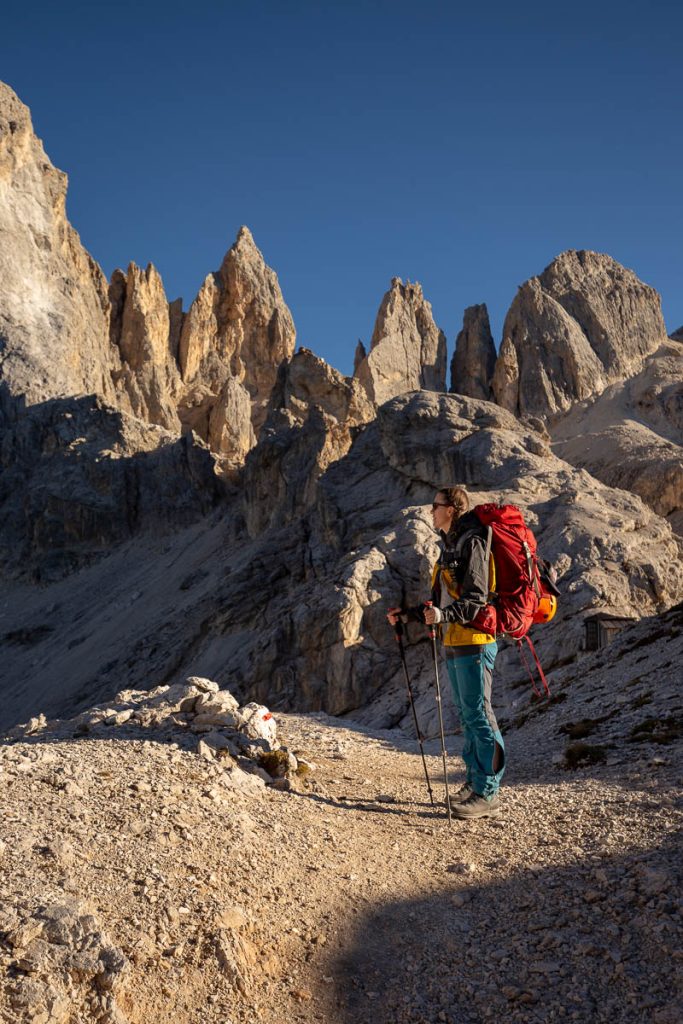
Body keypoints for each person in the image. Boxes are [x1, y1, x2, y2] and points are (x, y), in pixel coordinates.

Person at [387, 486, 504, 819]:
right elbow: (440, 601)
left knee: (480, 715)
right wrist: (408, 615)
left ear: (451, 509)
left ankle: (488, 793)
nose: (431, 511)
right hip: (455, 641)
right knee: (468, 716)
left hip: (476, 641)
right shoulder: (450, 547)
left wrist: (442, 616)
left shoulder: (473, 542)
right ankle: (475, 783)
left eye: (435, 506)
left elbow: (476, 600)